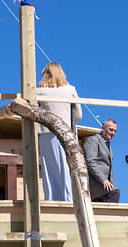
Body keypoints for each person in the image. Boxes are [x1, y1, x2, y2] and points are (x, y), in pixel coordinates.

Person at [35, 62, 82, 201]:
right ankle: (68, 199)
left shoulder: (39, 92)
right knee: (67, 166)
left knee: (49, 168)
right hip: (66, 131)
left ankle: (51, 198)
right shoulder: (70, 90)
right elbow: (78, 115)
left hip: (45, 133)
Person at [83, 119, 121, 203]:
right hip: (95, 184)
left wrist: (112, 185)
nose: (113, 133)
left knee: (115, 192)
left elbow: (109, 170)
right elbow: (90, 162)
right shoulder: (93, 140)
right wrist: (103, 180)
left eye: (115, 131)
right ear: (103, 128)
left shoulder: (108, 147)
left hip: (105, 187)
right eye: (111, 130)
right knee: (115, 193)